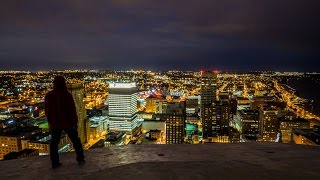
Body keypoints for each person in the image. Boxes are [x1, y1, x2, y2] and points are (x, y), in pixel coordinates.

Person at [45, 76, 85, 168]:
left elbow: (47, 111)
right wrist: (75, 122)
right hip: (68, 122)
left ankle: (55, 162)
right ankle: (80, 159)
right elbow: (72, 110)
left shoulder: (49, 95)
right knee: (76, 141)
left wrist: (50, 121)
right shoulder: (67, 95)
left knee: (54, 143)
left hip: (55, 123)